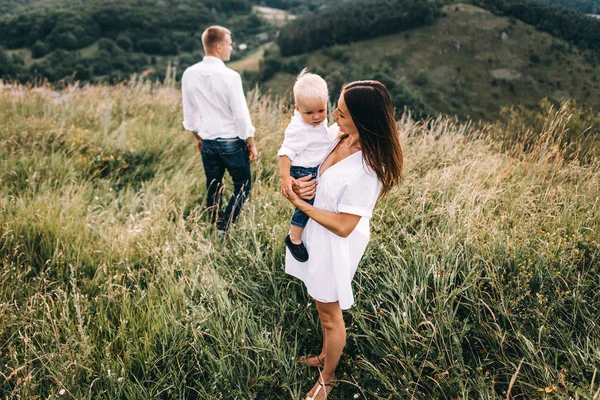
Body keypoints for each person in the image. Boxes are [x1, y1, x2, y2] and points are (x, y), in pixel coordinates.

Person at [282, 80, 404, 399]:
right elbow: (322, 180)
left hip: (337, 242)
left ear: (363, 120)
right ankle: (324, 356)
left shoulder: (369, 168)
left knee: (329, 313)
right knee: (321, 303)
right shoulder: (341, 136)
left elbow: (344, 225)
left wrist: (301, 205)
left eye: (343, 113)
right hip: (317, 230)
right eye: (336, 107)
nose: (334, 116)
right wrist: (304, 188)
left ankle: (329, 376)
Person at [181, 25, 258, 236]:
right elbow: (241, 115)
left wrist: (197, 137)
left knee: (213, 185)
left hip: (207, 141)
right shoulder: (230, 76)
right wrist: (250, 141)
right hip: (231, 141)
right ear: (218, 47)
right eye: (229, 44)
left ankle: (212, 223)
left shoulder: (189, 74)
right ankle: (224, 228)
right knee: (242, 185)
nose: (231, 48)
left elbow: (190, 114)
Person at [278, 68, 333, 262]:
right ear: (298, 109)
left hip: (313, 165)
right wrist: (286, 178)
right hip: (303, 169)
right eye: (309, 113)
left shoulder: (317, 121)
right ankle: (294, 238)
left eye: (321, 110)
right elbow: (285, 153)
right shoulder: (298, 129)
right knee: (306, 202)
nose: (317, 117)